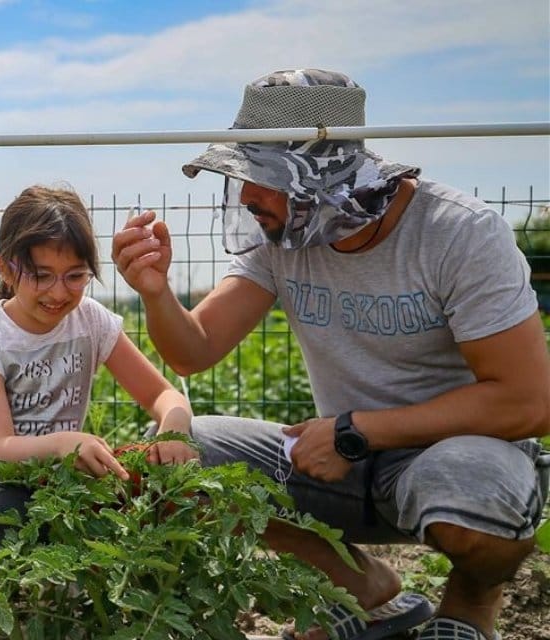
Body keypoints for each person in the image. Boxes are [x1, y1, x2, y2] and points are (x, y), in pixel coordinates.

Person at [111, 69, 550, 640]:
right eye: (242, 174)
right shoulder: (287, 235)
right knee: (174, 461)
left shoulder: (459, 235)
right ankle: (364, 588)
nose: (246, 195)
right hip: (340, 459)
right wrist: (155, 290)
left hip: (452, 459)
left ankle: (469, 610)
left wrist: (355, 430)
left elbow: (530, 401)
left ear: (326, 175)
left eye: (263, 177)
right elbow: (196, 349)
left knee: (480, 506)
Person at [0, 184, 197, 628]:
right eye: (41, 275)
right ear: (6, 267)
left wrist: (175, 428)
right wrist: (64, 444)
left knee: (148, 490)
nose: (59, 292)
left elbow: (165, 395)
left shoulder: (91, 321)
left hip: (57, 480)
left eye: (75, 276)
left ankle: (84, 605)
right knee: (10, 508)